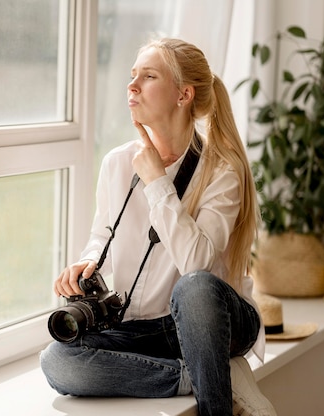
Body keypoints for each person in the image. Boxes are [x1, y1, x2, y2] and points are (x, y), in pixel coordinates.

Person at [40, 38, 277, 416]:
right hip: (152, 328)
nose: (132, 85)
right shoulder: (117, 164)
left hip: (218, 322)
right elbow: (102, 234)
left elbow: (197, 264)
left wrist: (156, 182)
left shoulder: (221, 170)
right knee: (58, 360)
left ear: (184, 94)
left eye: (148, 76)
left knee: (193, 287)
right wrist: (86, 264)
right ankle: (199, 375)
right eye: (132, 75)